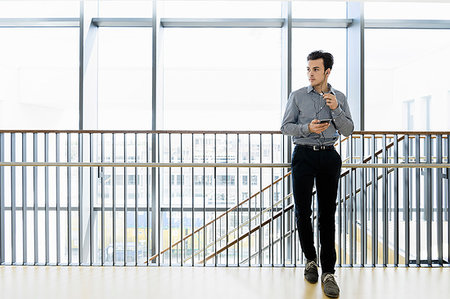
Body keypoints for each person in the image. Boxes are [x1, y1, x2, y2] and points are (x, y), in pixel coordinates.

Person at [280, 50, 354, 298]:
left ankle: (329, 272)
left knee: (327, 214)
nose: (310, 74)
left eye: (315, 69)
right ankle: (310, 260)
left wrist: (336, 110)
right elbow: (285, 127)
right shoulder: (298, 96)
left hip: (329, 156)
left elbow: (348, 130)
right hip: (303, 155)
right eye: (308, 69)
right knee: (302, 211)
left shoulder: (339, 97)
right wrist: (307, 128)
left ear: (327, 71)